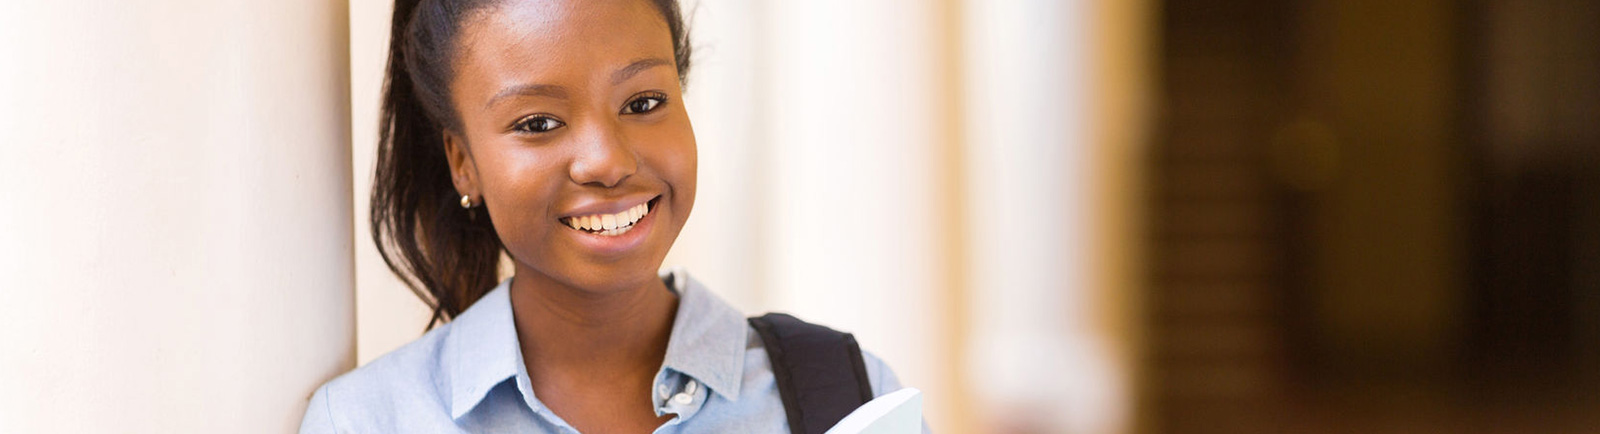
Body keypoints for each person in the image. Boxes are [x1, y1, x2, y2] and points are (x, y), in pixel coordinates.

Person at [298, 0, 916, 432]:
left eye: (643, 102)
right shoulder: (367, 421)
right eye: (537, 124)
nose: (606, 161)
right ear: (463, 162)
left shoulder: (845, 398)